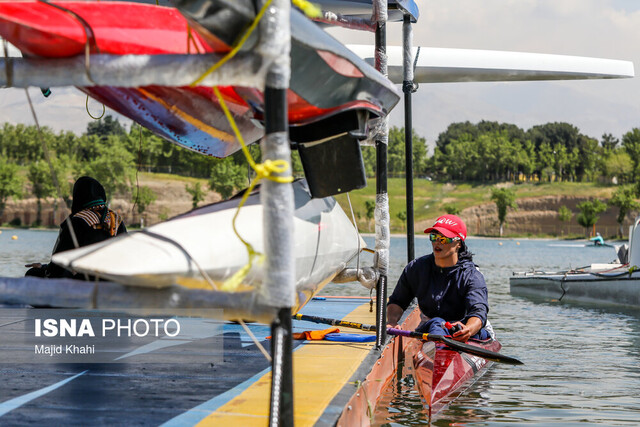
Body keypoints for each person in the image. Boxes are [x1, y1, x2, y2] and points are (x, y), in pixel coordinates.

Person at [386, 214, 492, 342]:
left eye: (444, 239)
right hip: (433, 327)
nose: (437, 242)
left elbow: (478, 311)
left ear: (458, 243)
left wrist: (468, 329)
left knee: (439, 324)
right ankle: (438, 350)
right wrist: (391, 322)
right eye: (434, 237)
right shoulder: (416, 268)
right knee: (436, 322)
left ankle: (442, 348)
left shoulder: (471, 275)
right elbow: (398, 301)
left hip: (467, 329)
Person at [25, 176, 127, 279]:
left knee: (33, 273)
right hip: (117, 278)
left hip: (88, 280)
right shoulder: (117, 219)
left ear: (78, 196)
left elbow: (59, 263)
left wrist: (44, 269)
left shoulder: (77, 220)